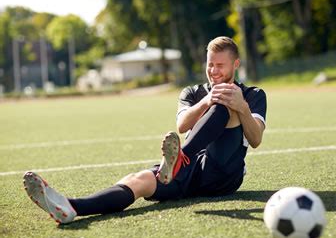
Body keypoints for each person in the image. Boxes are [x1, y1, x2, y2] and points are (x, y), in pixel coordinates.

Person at [23, 36, 267, 224]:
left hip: (223, 173)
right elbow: (182, 125)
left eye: (220, 65)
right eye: (210, 65)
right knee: (139, 180)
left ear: (235, 64)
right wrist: (206, 101)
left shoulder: (254, 95)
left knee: (228, 104)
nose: (214, 71)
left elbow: (255, 140)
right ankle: (71, 207)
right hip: (188, 170)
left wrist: (242, 107)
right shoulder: (192, 92)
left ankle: (179, 160)